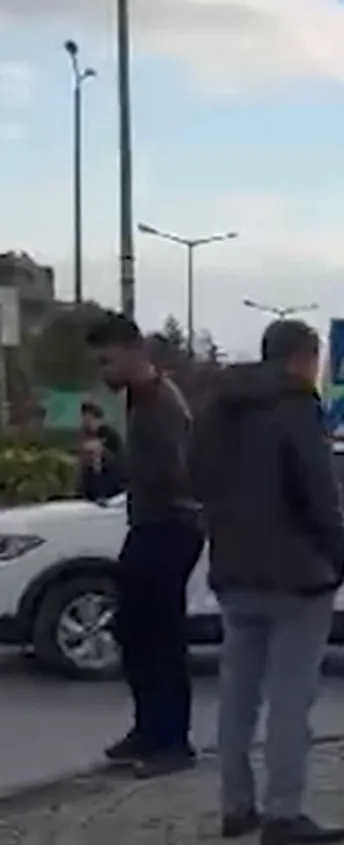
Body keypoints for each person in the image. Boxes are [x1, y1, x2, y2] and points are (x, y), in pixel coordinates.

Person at [190, 319, 344, 845]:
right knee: (289, 698)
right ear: (303, 358)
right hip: (297, 574)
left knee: (237, 694)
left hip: (234, 567)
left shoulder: (218, 406)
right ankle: (284, 812)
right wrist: (336, 555)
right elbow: (318, 490)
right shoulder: (296, 406)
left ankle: (236, 806)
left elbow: (197, 478)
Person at [86, 314, 203, 776]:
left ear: (134, 352)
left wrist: (115, 467)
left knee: (161, 638)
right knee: (133, 630)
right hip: (150, 526)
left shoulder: (163, 406)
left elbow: (176, 476)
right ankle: (148, 730)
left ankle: (172, 743)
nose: (103, 373)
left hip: (170, 529)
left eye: (107, 361)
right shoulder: (140, 399)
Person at [76, 399, 125, 503]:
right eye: (85, 420)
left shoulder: (111, 436)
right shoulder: (84, 435)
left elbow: (119, 461)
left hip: (112, 486)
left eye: (90, 420)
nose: (87, 424)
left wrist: (101, 452)